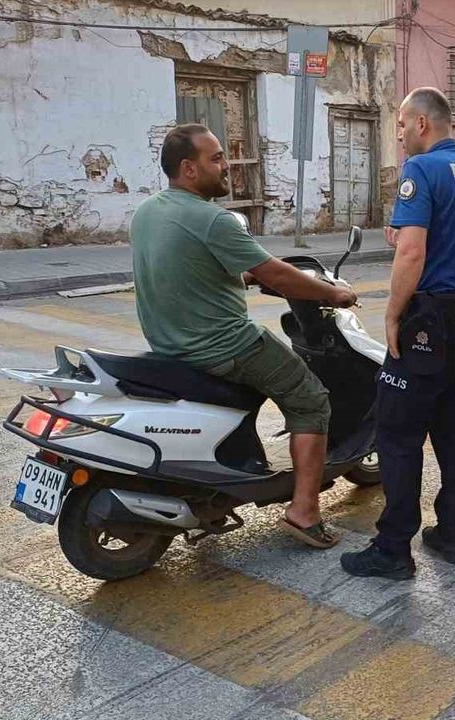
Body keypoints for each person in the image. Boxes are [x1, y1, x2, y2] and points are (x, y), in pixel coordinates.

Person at [130, 124, 358, 549]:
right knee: (310, 400)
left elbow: (185, 267)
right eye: (216, 158)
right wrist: (334, 294)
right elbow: (277, 273)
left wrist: (241, 277)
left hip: (170, 346)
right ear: (189, 168)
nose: (227, 165)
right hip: (224, 346)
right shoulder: (213, 219)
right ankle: (304, 512)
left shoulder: (147, 212)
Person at [340, 88, 455, 580]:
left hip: (426, 322)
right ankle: (451, 534)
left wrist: (393, 315)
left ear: (423, 124)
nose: (401, 136)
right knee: (453, 431)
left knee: (396, 431)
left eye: (403, 125)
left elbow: (412, 253)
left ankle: (393, 549)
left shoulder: (422, 170)